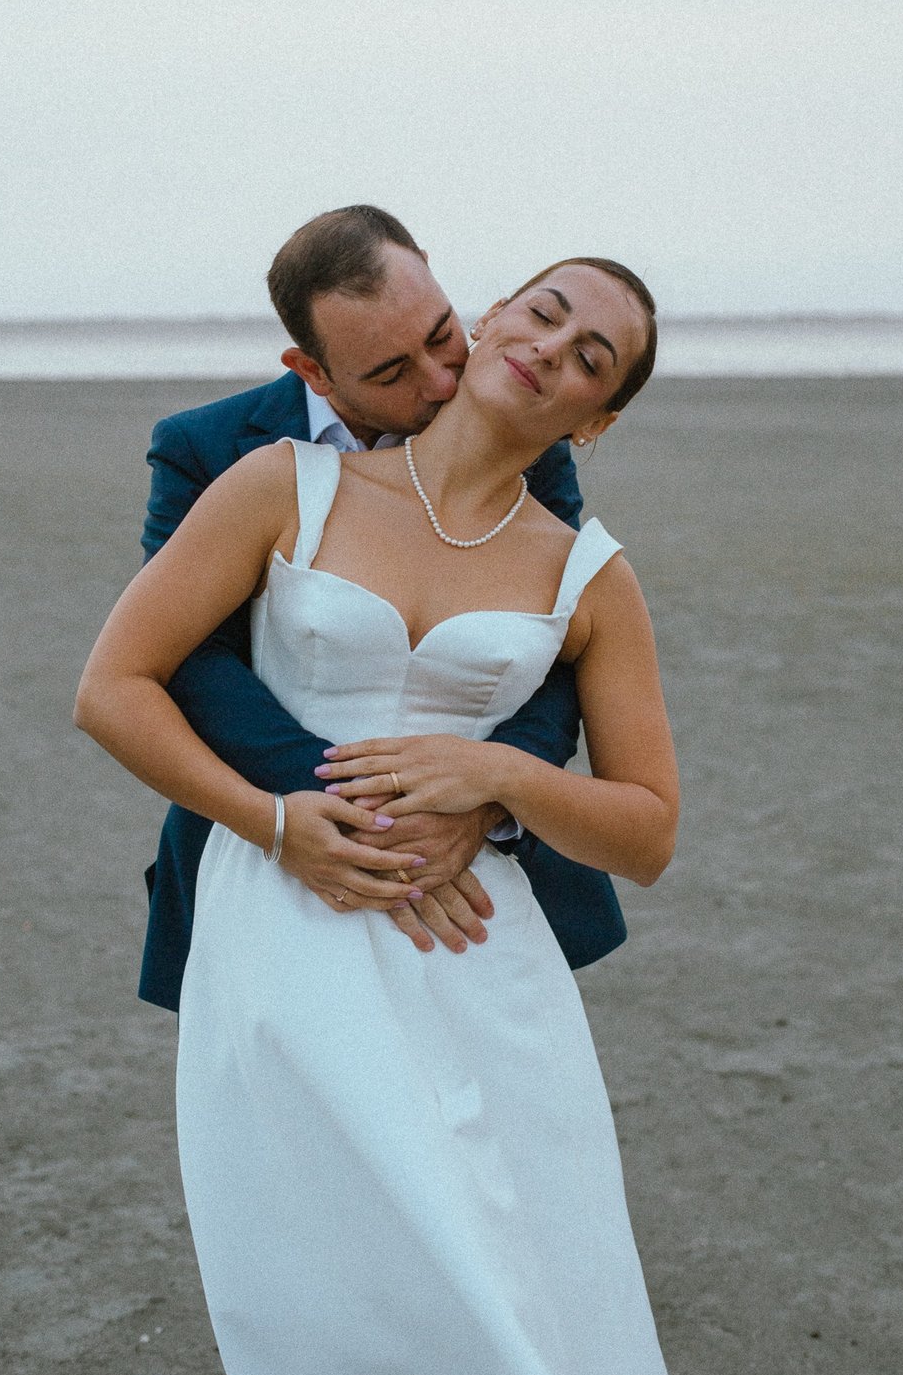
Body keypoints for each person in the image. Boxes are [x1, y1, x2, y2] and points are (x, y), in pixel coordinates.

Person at [75, 249, 679, 1375]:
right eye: (544, 313)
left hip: (478, 955)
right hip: (284, 921)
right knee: (333, 1296)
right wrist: (274, 821)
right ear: (493, 310)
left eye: (588, 358)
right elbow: (113, 688)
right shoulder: (274, 484)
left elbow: (647, 832)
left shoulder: (590, 575)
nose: (551, 348)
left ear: (592, 423)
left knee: (527, 1283)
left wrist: (498, 775)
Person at [138, 206, 628, 1015]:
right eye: (391, 373)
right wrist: (362, 821)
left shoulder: (524, 438)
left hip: (471, 874)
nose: (441, 385)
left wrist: (486, 803)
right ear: (313, 370)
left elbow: (554, 650)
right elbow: (191, 662)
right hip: (279, 839)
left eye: (442, 336)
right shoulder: (210, 449)